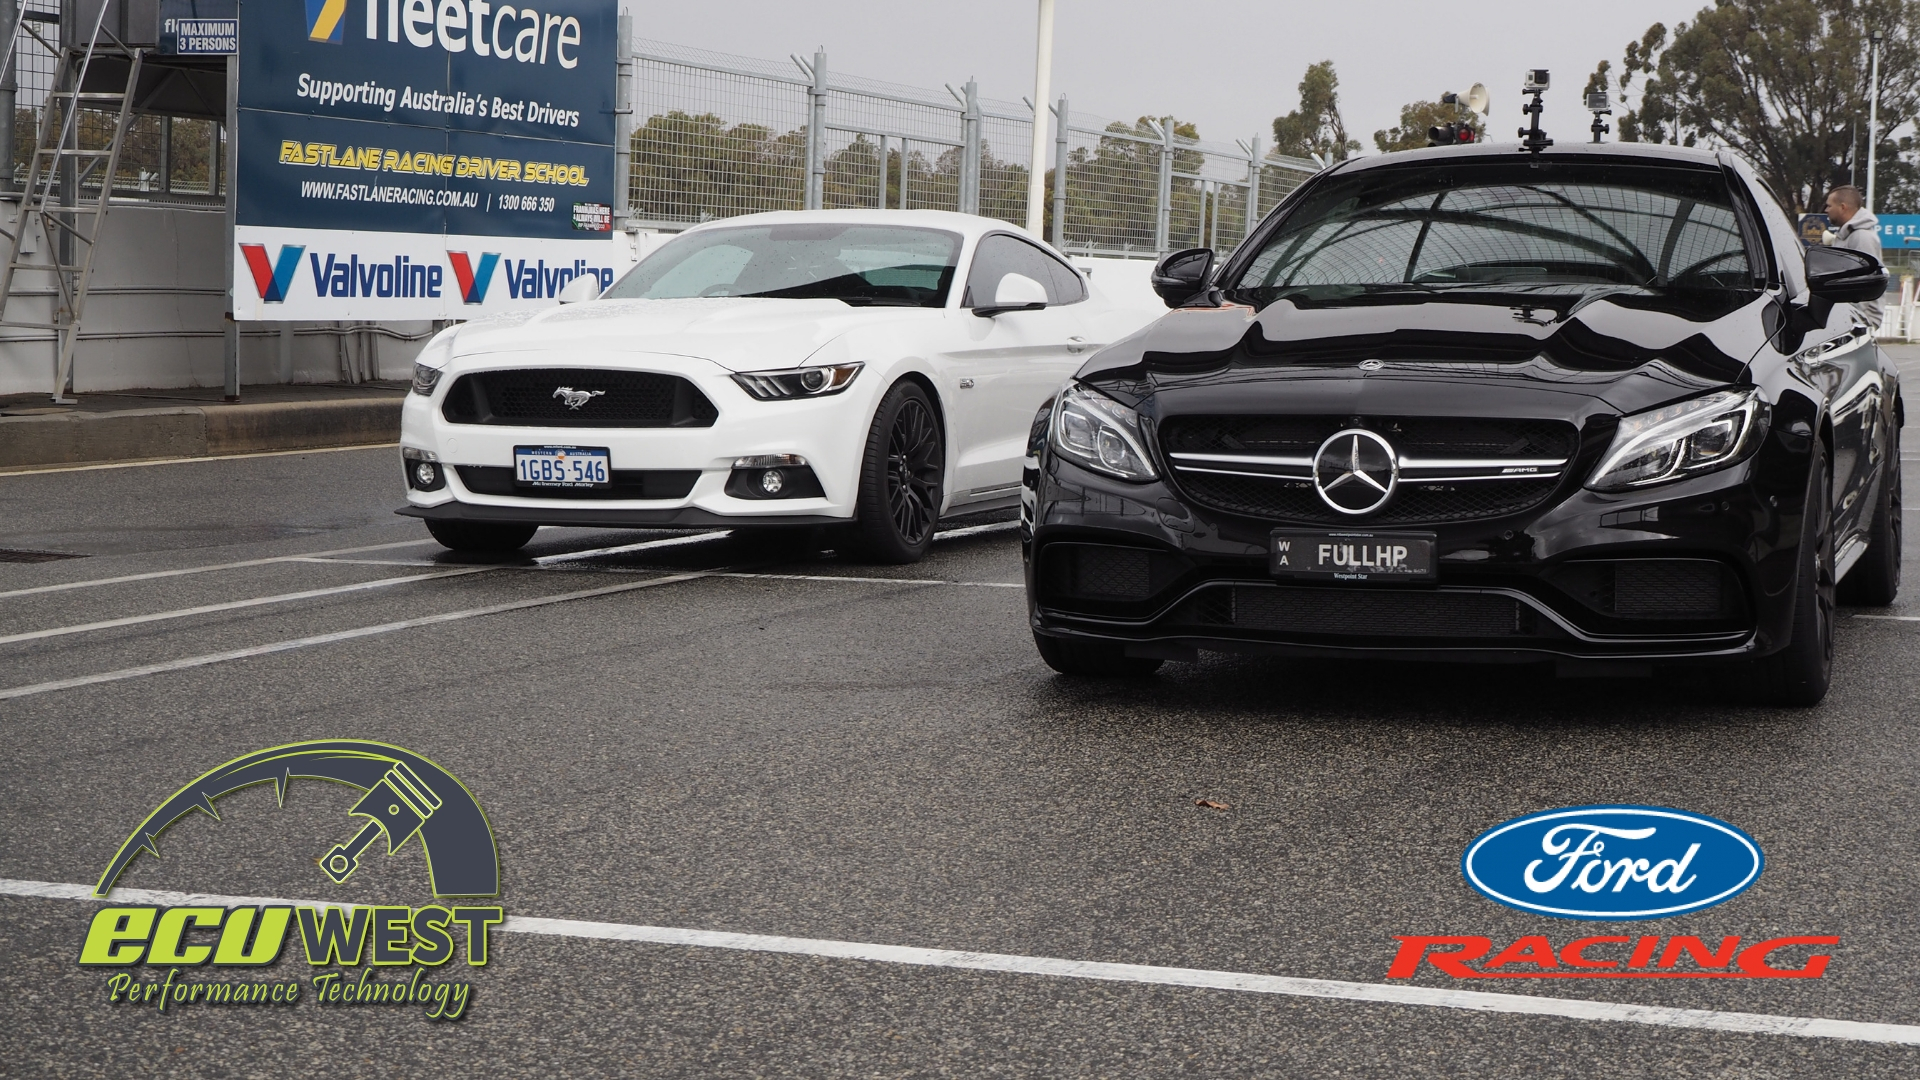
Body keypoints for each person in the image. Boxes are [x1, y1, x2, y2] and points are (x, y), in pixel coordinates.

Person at [1823, 185, 1884, 328]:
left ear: (1843, 207)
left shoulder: (1862, 237)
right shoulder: (1848, 236)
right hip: (1851, 318)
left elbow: (1865, 283)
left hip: (1860, 321)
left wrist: (1859, 322)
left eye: (1829, 206)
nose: (1826, 210)